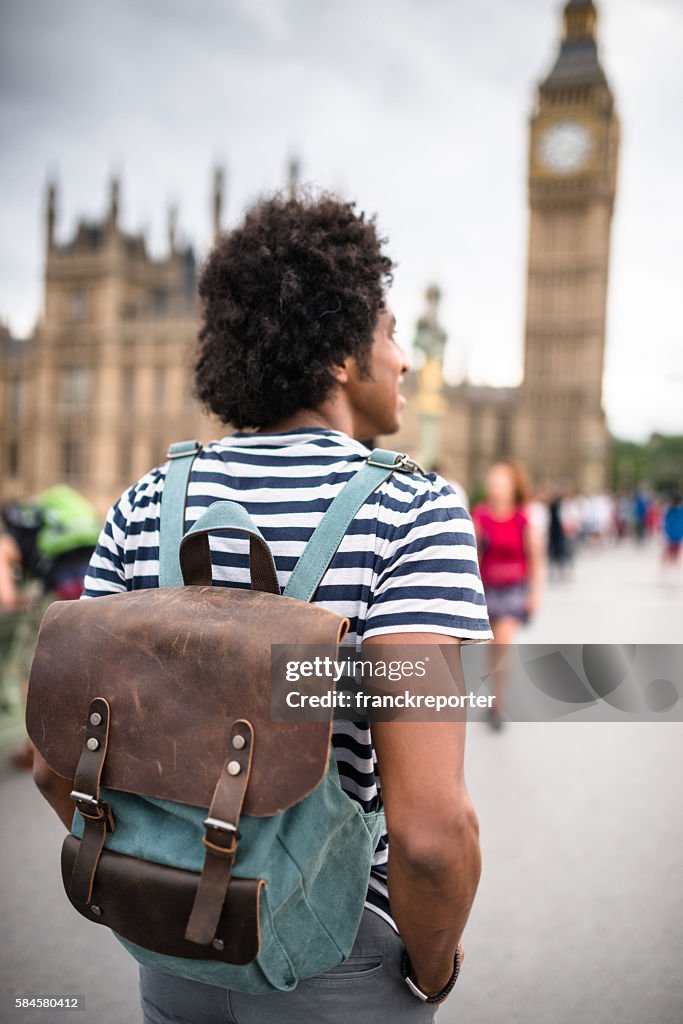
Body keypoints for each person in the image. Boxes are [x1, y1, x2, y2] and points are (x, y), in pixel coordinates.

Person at [33, 192, 491, 1023]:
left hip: (174, 946)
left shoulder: (145, 501)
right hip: (340, 950)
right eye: (390, 336)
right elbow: (429, 836)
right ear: (342, 359)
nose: (406, 362)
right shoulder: (412, 509)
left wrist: (157, 871)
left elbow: (54, 761)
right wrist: (429, 970)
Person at [0, 487, 99, 769]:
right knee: (84, 663)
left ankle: (33, 746)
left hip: (57, 592)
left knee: (31, 668)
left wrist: (24, 601)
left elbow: (6, 598)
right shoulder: (50, 522)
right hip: (90, 585)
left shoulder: (11, 538)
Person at [471, 460, 543, 729]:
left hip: (513, 589)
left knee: (502, 644)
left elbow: (536, 559)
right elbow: (471, 554)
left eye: (501, 482)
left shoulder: (522, 517)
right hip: (487, 588)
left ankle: (497, 702)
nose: (495, 487)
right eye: (492, 482)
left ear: (513, 487)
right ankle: (493, 696)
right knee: (491, 649)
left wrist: (535, 594)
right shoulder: (480, 515)